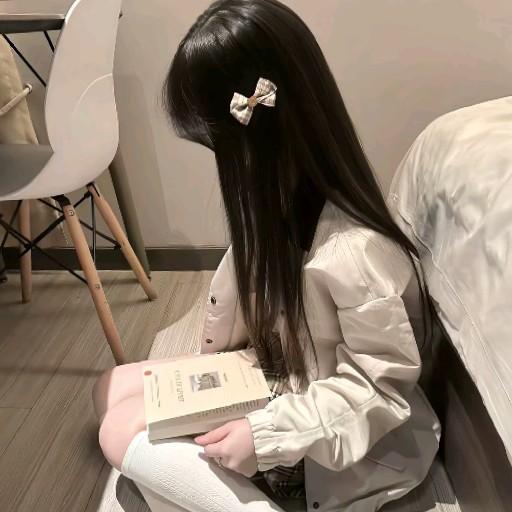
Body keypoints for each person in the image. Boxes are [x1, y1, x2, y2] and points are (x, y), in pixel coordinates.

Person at [92, 1, 442, 510]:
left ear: (255, 136)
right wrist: (208, 374)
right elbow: (256, 322)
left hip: (325, 434)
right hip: (279, 378)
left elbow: (379, 390)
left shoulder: (355, 251)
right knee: (108, 388)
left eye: (220, 148)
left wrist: (265, 435)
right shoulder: (276, 212)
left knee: (120, 429)